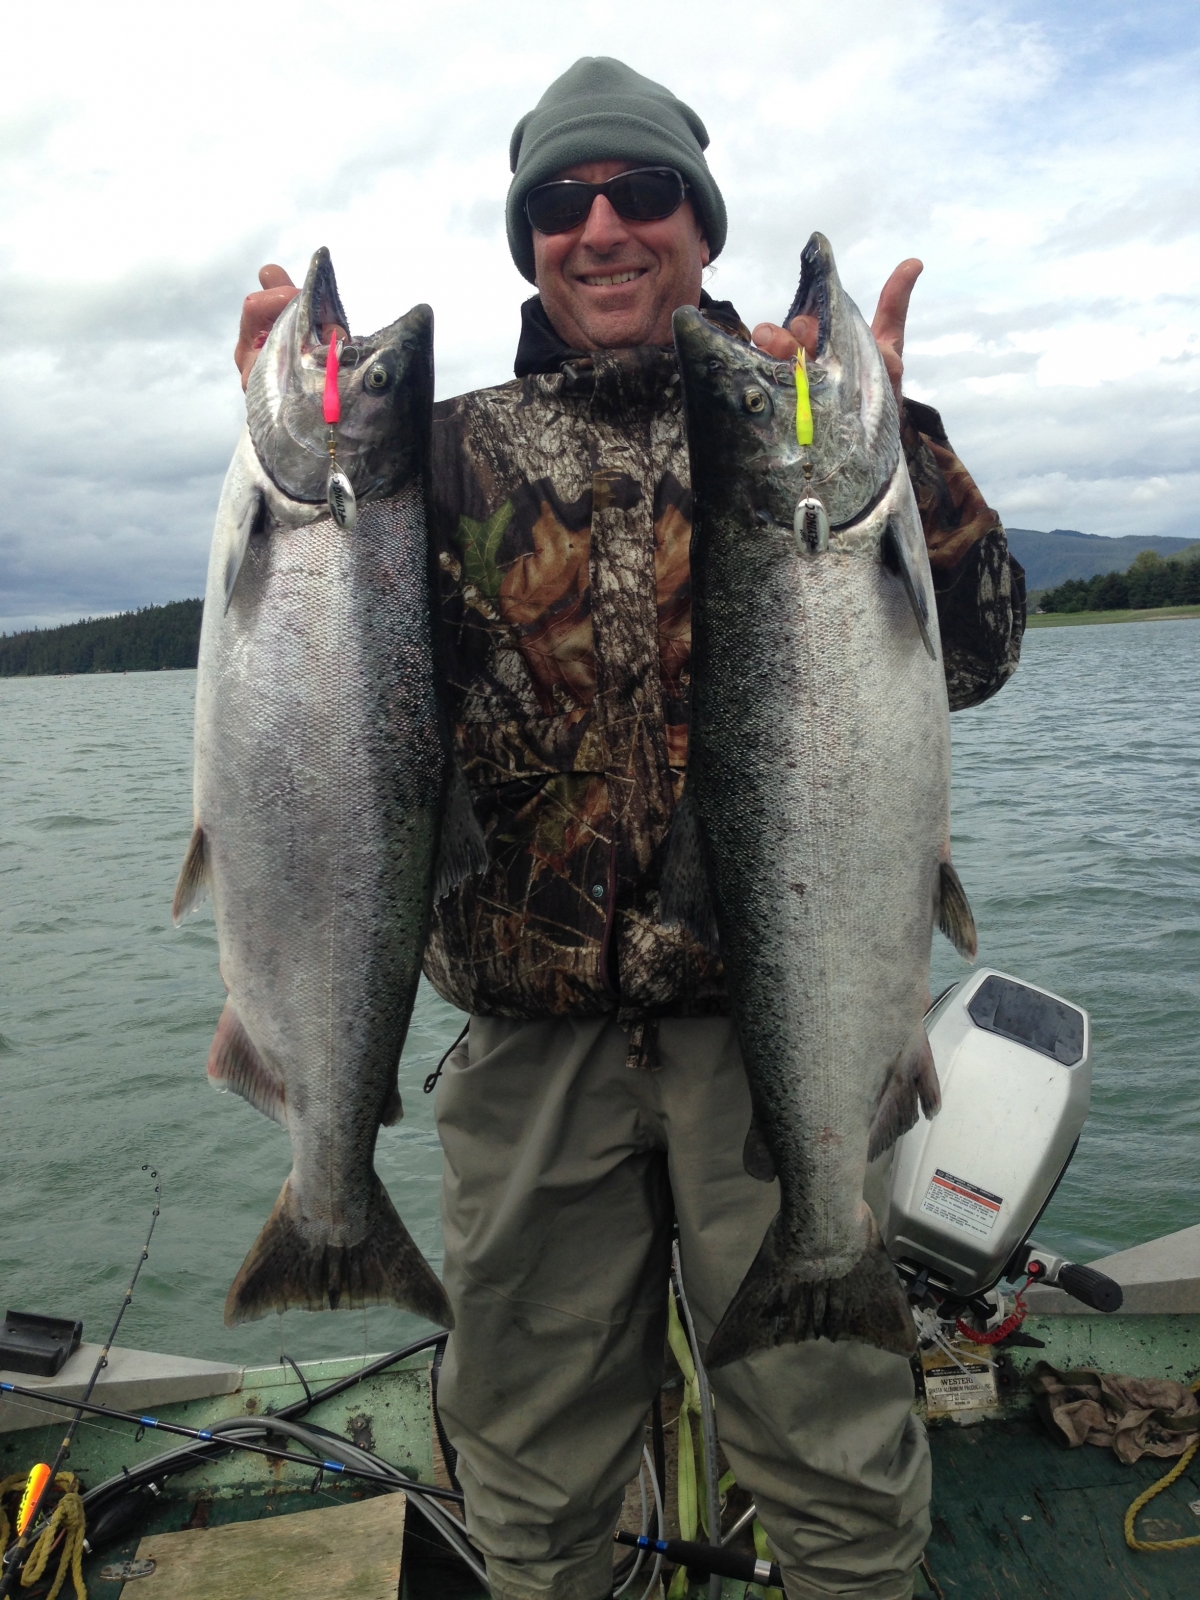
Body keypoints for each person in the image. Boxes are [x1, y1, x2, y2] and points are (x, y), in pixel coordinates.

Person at [236, 57, 1025, 1600]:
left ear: (700, 225)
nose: (602, 228)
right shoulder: (441, 455)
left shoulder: (781, 422)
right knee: (529, 1476)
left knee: (839, 1457)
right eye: (560, 204)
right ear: (528, 239)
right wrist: (271, 427)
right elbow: (325, 677)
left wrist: (898, 428)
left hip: (780, 1028)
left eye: (641, 195)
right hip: (531, 1055)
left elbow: (982, 648)